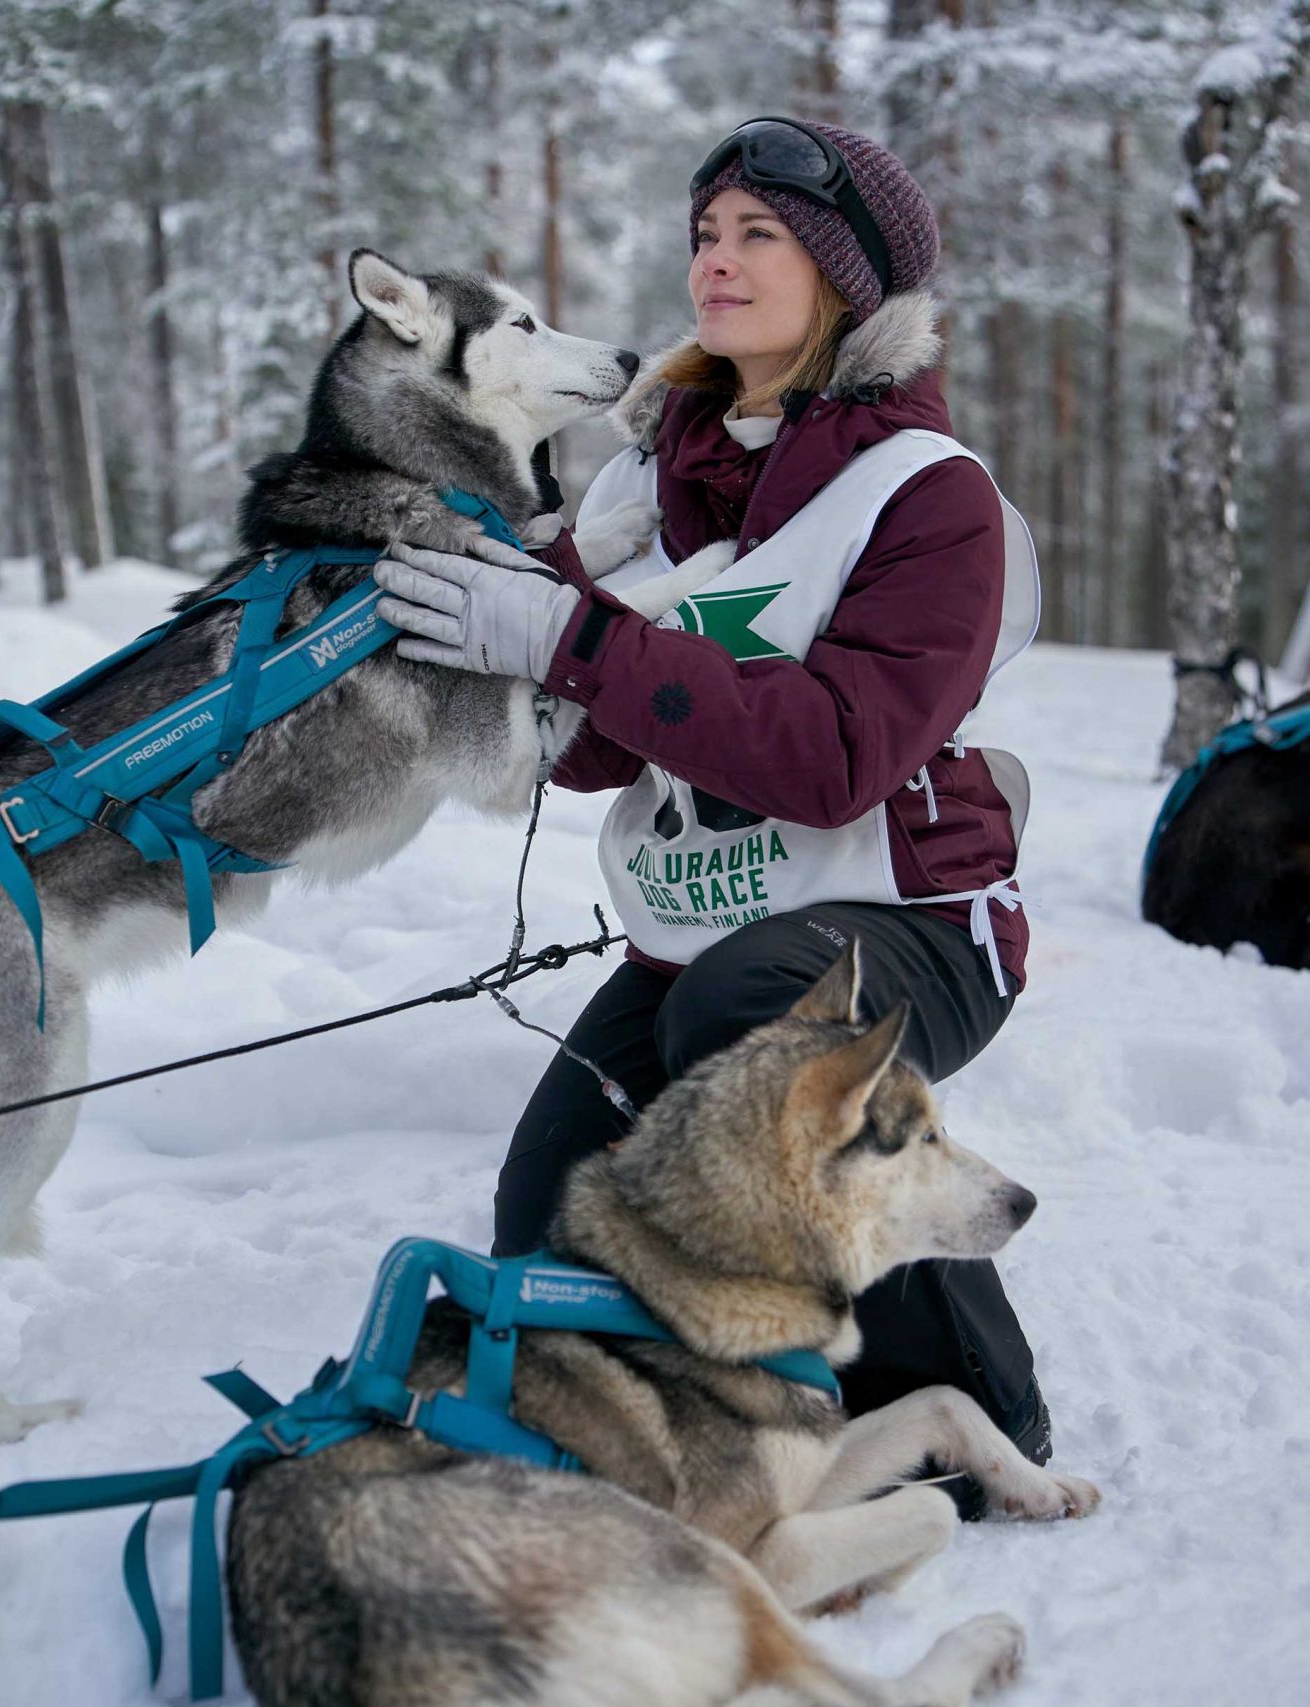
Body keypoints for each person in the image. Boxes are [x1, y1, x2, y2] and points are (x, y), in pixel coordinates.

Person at [374, 117, 1050, 1485]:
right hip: (709, 931)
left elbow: (838, 756)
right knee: (556, 1217)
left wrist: (575, 643)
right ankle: (673, 1422)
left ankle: (971, 1406)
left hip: (911, 920)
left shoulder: (931, 500)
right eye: (705, 234)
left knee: (745, 1024)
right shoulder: (648, 481)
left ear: (849, 279)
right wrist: (517, 642)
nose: (716, 264)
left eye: (761, 236)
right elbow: (597, 758)